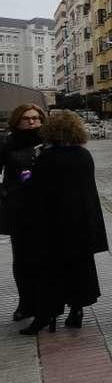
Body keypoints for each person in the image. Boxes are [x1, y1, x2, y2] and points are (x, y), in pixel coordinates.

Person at [16, 111, 108, 335]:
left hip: (53, 225)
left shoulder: (47, 157)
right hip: (81, 223)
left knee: (51, 271)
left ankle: (47, 313)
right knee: (78, 268)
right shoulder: (84, 155)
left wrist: (25, 175)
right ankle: (76, 310)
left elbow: (35, 190)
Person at [1, 104, 46, 324]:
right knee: (22, 259)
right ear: (17, 120)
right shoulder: (7, 144)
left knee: (45, 258)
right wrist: (6, 193)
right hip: (19, 208)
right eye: (27, 118)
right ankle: (25, 303)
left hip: (46, 208)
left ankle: (47, 303)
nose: (32, 122)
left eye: (36, 118)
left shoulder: (49, 141)